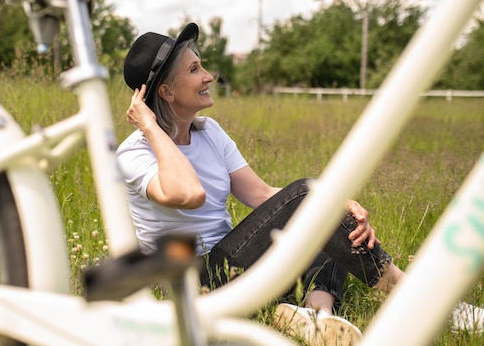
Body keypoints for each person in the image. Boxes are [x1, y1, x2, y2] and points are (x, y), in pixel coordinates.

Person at [116, 22, 484, 346]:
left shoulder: (209, 132)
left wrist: (335, 203)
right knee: (311, 196)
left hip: (231, 266)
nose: (209, 75)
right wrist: (149, 126)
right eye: (195, 69)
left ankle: (314, 315)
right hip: (193, 282)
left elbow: (260, 195)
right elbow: (189, 194)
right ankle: (420, 297)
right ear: (165, 91)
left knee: (321, 208)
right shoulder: (134, 153)